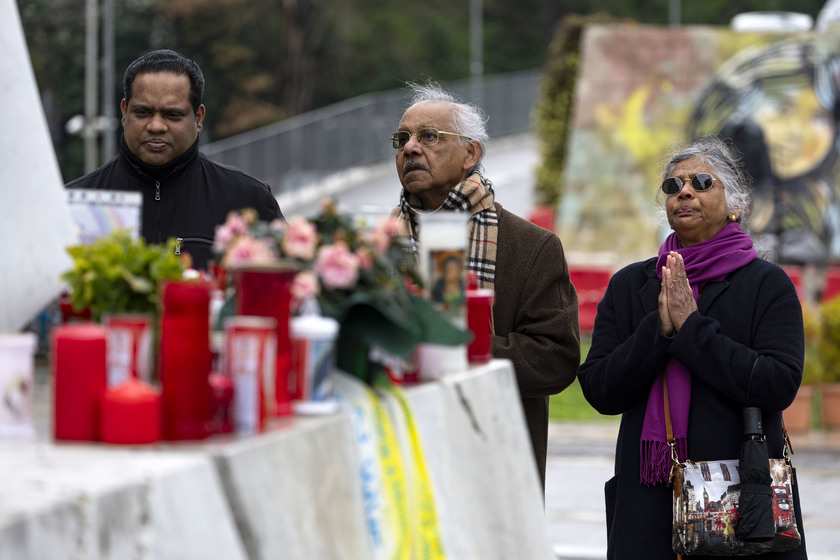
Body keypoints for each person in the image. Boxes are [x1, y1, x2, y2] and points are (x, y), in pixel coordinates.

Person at [577, 136, 807, 559]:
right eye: (673, 185)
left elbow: (778, 384)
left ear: (734, 204)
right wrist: (659, 329)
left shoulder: (765, 285)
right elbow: (599, 390)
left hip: (743, 503)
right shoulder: (632, 285)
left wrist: (691, 329)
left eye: (702, 182)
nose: (684, 191)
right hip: (649, 502)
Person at [388, 82, 581, 489]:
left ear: (470, 154)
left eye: (429, 137)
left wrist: (453, 350)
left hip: (493, 465)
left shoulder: (532, 246)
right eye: (402, 139)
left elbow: (555, 359)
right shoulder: (374, 244)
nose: (410, 148)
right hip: (395, 456)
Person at [65, 49, 282, 270]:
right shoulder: (74, 204)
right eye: (143, 112)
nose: (156, 126)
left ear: (198, 118)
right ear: (124, 112)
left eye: (172, 115)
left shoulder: (248, 200)